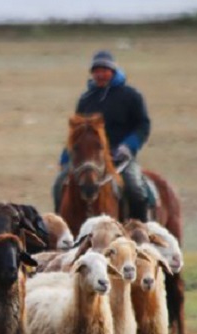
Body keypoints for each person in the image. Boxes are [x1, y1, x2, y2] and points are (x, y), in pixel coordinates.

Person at [53, 50, 151, 222]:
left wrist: (128, 146)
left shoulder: (131, 96)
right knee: (59, 185)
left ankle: (141, 232)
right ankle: (61, 233)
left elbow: (143, 124)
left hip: (120, 157)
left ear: (113, 71)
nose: (100, 74)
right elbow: (76, 133)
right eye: (96, 71)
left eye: (104, 70)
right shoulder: (86, 99)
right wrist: (65, 157)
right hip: (87, 158)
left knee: (135, 188)